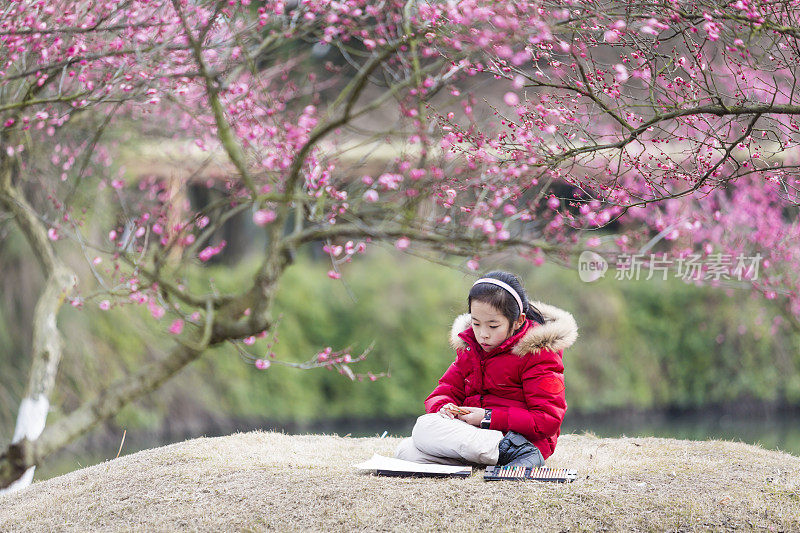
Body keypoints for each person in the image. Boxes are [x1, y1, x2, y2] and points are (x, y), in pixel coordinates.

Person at [395, 271, 578, 468]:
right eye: (476, 323)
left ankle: (519, 454)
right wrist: (445, 408)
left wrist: (487, 417)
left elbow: (547, 420)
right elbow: (443, 392)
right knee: (406, 451)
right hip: (477, 436)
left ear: (518, 321)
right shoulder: (470, 349)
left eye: (493, 326)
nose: (483, 334)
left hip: (523, 441)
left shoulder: (537, 353)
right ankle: (492, 458)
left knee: (424, 427)